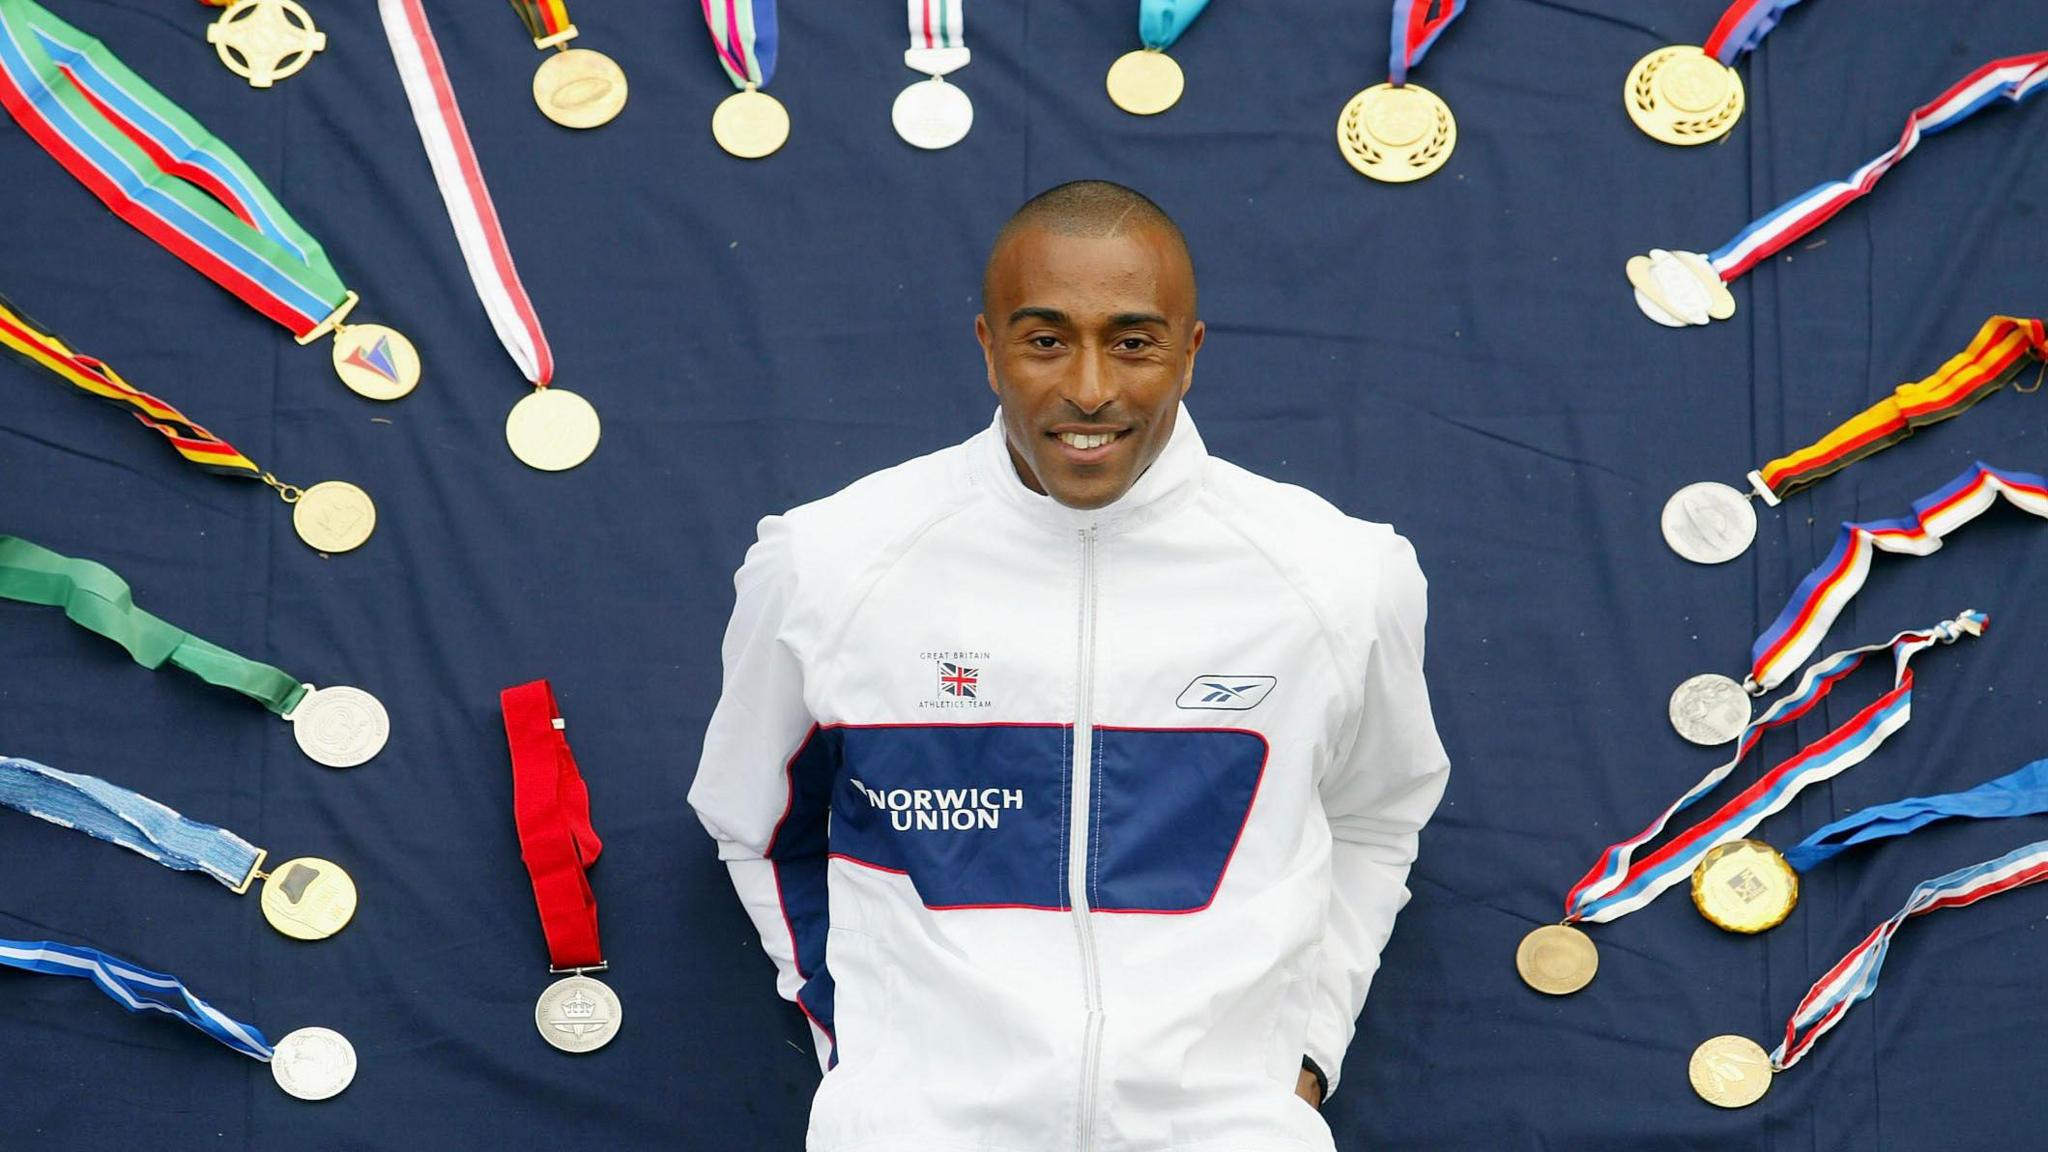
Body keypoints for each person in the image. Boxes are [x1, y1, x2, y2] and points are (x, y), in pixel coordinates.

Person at [689, 180, 1450, 1152]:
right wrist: (868, 1060)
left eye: (1131, 341)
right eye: (1044, 339)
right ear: (987, 346)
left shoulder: (1338, 576)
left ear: (1188, 352)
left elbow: (1374, 818)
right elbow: (755, 822)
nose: (1089, 387)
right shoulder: (828, 564)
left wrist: (1299, 1058)